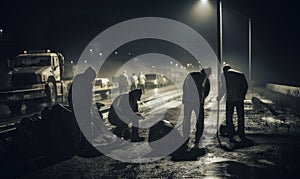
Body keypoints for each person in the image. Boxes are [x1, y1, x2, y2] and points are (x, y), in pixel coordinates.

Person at [217, 65, 248, 142]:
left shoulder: (224, 75)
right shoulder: (240, 74)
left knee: (229, 116)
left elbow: (223, 88)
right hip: (239, 99)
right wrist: (242, 95)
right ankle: (241, 132)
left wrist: (219, 96)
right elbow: (245, 86)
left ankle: (230, 133)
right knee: (240, 116)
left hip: (230, 99)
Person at [182, 67, 211, 148]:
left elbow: (184, 87)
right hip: (198, 102)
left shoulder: (189, 75)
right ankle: (198, 139)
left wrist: (185, 97)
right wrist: (202, 99)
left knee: (186, 119)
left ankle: (185, 138)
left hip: (187, 100)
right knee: (199, 121)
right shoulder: (204, 78)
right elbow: (207, 90)